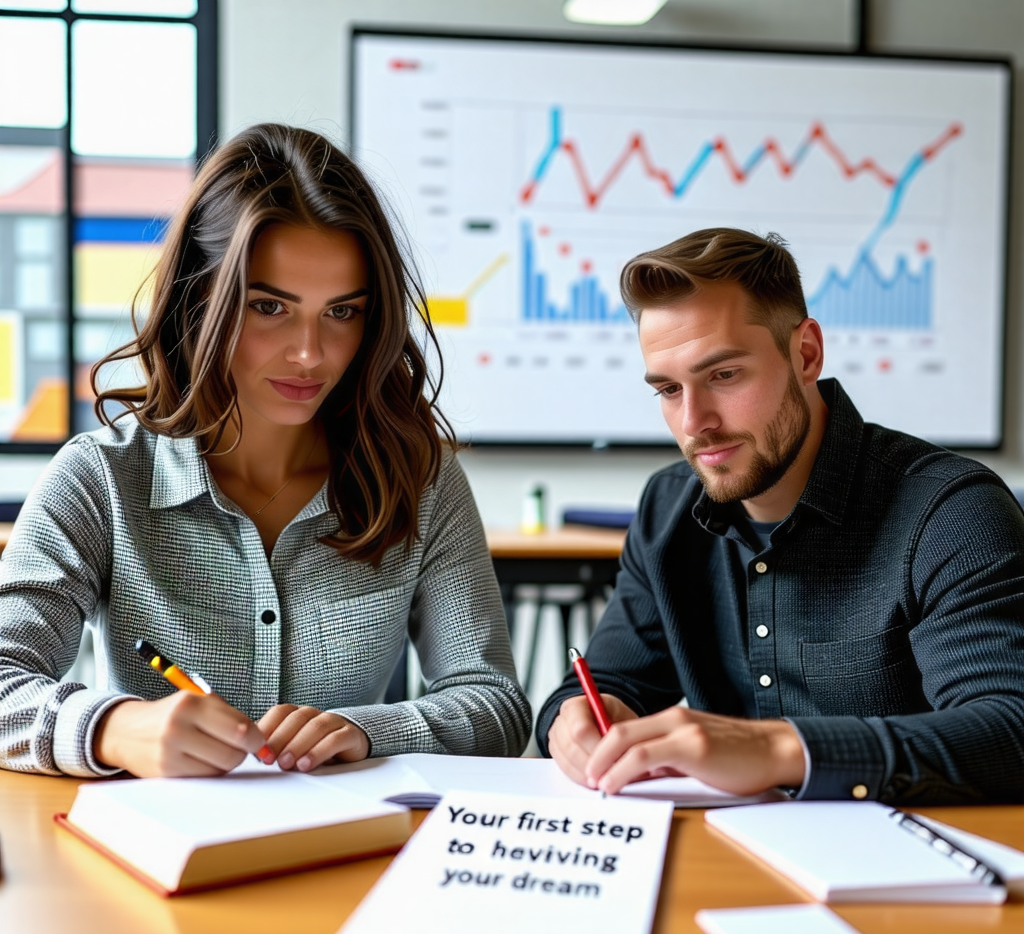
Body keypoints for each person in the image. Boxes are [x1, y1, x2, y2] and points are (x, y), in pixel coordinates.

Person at [0, 123, 530, 779]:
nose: (310, 353)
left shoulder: (421, 479)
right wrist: (111, 727)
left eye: (342, 312)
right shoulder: (99, 479)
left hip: (345, 838)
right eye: (270, 307)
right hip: (156, 840)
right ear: (200, 299)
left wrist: (368, 731)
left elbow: (496, 706)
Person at [537, 227, 1024, 804]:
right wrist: (573, 722)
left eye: (723, 375)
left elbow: (1009, 729)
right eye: (668, 389)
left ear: (806, 354)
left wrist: (776, 749)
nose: (694, 423)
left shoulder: (951, 511)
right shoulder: (666, 509)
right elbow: (608, 682)